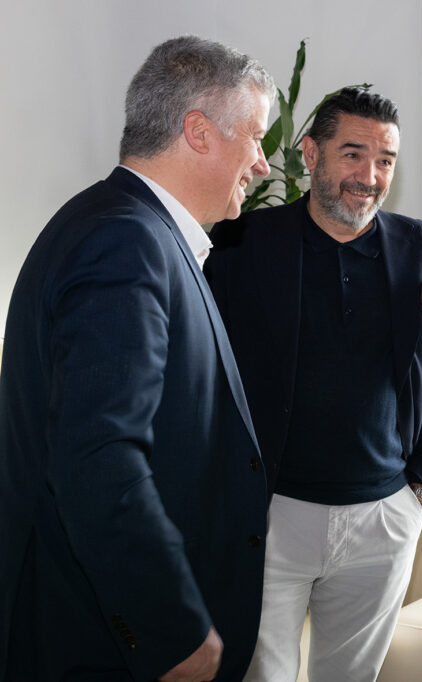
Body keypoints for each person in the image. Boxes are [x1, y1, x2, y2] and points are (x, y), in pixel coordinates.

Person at [0, 36, 274, 681]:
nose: (262, 164)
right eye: (257, 138)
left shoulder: (124, 225)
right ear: (199, 132)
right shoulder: (126, 241)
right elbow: (99, 457)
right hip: (98, 641)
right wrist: (169, 628)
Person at [203, 86, 422, 682]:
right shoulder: (242, 241)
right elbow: (206, 370)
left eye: (386, 160)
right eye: (352, 154)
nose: (369, 175)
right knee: (260, 675)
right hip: (270, 514)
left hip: (384, 517)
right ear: (312, 154)